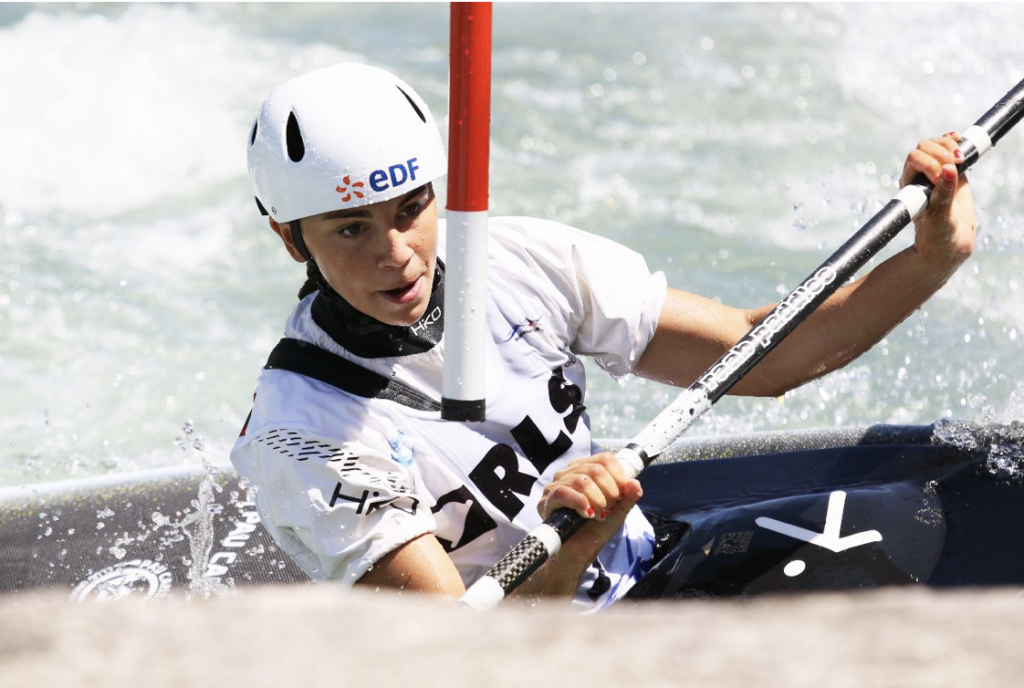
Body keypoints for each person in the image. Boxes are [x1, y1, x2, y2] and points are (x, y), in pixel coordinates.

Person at [230, 63, 975, 610]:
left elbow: (761, 356)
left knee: (892, 526)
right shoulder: (304, 436)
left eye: (410, 209)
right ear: (292, 241)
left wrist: (930, 258)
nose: (395, 253)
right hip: (544, 647)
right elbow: (466, 659)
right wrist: (570, 549)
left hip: (649, 565)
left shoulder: (516, 261)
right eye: (351, 229)